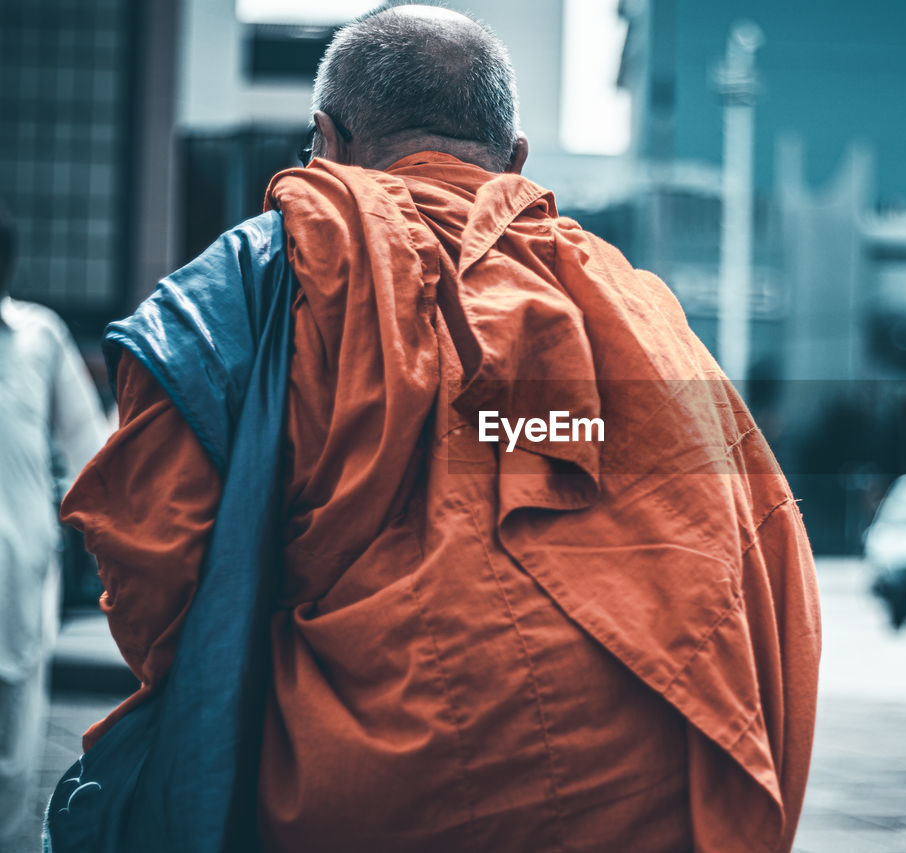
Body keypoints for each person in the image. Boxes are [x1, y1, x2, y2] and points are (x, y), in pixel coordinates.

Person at [60, 3, 821, 851]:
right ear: (516, 162)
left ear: (325, 140)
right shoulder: (640, 313)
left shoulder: (260, 280)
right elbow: (767, 563)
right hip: (662, 802)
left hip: (370, 802)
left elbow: (152, 586)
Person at [0, 203, 109, 852]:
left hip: (20, 564)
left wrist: (101, 541)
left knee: (17, 736)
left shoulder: (38, 337)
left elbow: (88, 447)